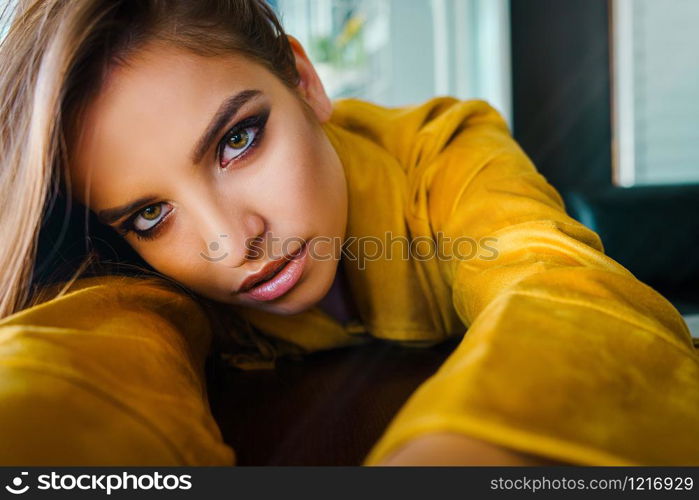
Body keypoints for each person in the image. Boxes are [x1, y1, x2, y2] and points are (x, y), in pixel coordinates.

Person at [0, 0, 697, 466]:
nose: (226, 242)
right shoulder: (140, 274)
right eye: (149, 214)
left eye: (237, 140)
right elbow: (69, 362)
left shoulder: (445, 152)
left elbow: (560, 289)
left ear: (303, 82)